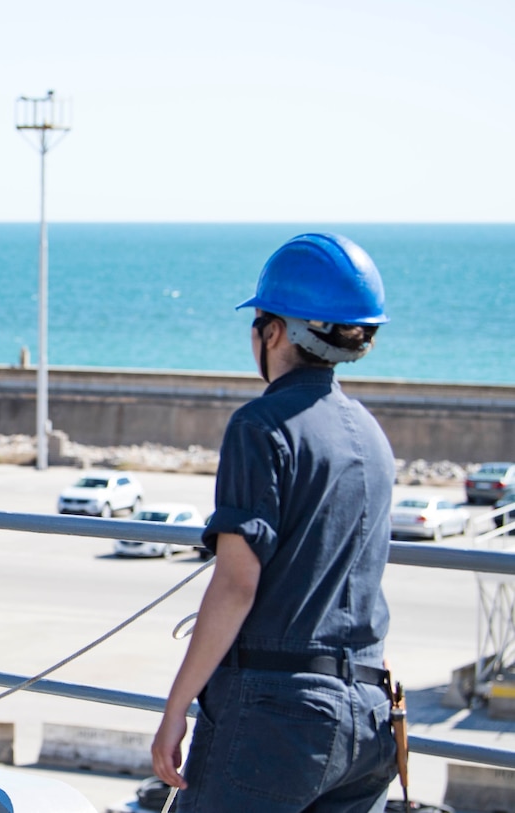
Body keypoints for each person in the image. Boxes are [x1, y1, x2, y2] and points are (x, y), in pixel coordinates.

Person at [151, 233, 399, 811]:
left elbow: (237, 583)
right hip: (370, 715)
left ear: (276, 331)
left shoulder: (261, 426)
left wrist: (175, 709)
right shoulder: (372, 435)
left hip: (277, 719)